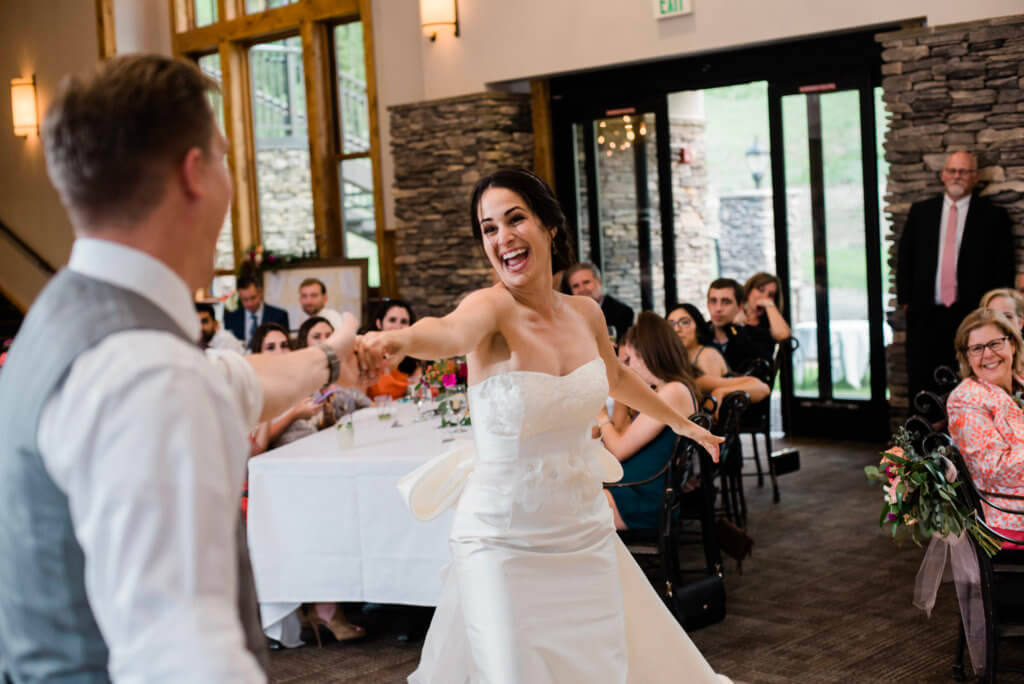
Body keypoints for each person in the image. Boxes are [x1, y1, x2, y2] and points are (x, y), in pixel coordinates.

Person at [0, 55, 366, 682]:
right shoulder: (144, 372)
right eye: (224, 158)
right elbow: (184, 653)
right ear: (194, 173)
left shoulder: (64, 317)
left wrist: (335, 356)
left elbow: (233, 382)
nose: (230, 179)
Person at [358, 168, 731, 683]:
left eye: (515, 220)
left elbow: (617, 377)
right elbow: (445, 331)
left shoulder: (585, 314)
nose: (503, 237)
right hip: (501, 536)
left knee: (598, 667)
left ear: (550, 226)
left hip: (580, 528)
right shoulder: (490, 309)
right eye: (489, 228)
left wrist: (684, 424)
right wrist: (399, 342)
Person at [897, 151, 1014, 399]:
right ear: (943, 175)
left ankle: (966, 435)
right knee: (922, 383)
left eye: (964, 171)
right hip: (925, 314)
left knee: (970, 382)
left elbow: (1003, 268)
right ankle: (918, 437)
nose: (957, 176)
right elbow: (905, 259)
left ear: (976, 176)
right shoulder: (921, 212)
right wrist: (907, 302)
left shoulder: (993, 216)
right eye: (952, 171)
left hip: (971, 316)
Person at [598, 313, 700, 530]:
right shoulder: (669, 389)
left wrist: (600, 415)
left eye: (630, 359)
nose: (628, 367)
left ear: (645, 355)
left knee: (560, 508)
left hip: (643, 500)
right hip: (639, 490)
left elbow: (618, 450)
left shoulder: (673, 392)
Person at [947, 308, 1024, 545]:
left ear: (1011, 344)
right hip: (1010, 519)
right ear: (967, 357)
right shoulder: (966, 399)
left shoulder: (1019, 382)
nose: (988, 354)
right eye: (977, 348)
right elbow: (994, 469)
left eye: (995, 343)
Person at [707, 277, 774, 372]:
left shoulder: (757, 336)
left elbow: (763, 375)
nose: (718, 308)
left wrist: (737, 330)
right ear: (708, 305)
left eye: (726, 302)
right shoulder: (699, 334)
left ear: (740, 306)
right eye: (713, 301)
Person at [366, 299, 422, 400]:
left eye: (404, 322)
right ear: (379, 324)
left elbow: (417, 394)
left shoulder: (413, 357)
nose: (398, 327)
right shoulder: (367, 354)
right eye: (392, 320)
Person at [566, 261, 635, 342]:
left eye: (586, 282)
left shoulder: (622, 313)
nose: (581, 289)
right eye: (575, 286)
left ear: (600, 282)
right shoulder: (567, 316)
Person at [225, 270, 291, 347]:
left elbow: (285, 345)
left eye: (253, 298)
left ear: (260, 293)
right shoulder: (231, 318)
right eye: (245, 299)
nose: (250, 303)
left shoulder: (279, 316)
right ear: (239, 297)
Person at [667, 303, 729, 377]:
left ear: (698, 327)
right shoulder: (673, 359)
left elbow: (712, 388)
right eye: (671, 324)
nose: (677, 329)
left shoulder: (707, 355)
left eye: (684, 322)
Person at [742, 272, 791, 342]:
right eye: (761, 290)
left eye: (771, 295)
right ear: (749, 291)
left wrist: (769, 304)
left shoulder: (768, 323)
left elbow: (783, 334)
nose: (765, 297)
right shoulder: (735, 313)